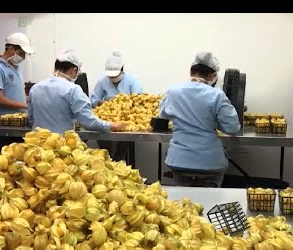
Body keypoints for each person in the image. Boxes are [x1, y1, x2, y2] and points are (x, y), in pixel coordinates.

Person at [159, 51, 241, 188]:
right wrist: (214, 121)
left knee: (181, 204)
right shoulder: (217, 95)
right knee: (210, 202)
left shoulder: (173, 92)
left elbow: (163, 115)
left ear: (191, 71)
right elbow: (233, 128)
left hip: (179, 160)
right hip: (210, 162)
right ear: (213, 76)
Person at [28, 49, 126, 135]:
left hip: (36, 145)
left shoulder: (35, 88)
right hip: (60, 146)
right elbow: (88, 122)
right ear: (73, 70)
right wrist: (111, 125)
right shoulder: (72, 90)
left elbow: (31, 119)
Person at [90, 50, 143, 164]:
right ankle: (107, 160)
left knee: (123, 144)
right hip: (105, 120)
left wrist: (125, 104)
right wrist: (105, 104)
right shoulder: (102, 81)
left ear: (122, 70)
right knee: (105, 149)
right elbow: (93, 101)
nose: (113, 78)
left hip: (126, 119)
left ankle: (119, 159)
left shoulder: (131, 80)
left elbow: (139, 100)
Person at [0, 32, 34, 127]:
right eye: (21, 53)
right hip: (5, 125)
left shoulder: (16, 68)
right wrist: (26, 106)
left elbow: (18, 94)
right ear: (11, 48)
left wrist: (32, 101)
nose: (23, 57)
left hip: (20, 122)